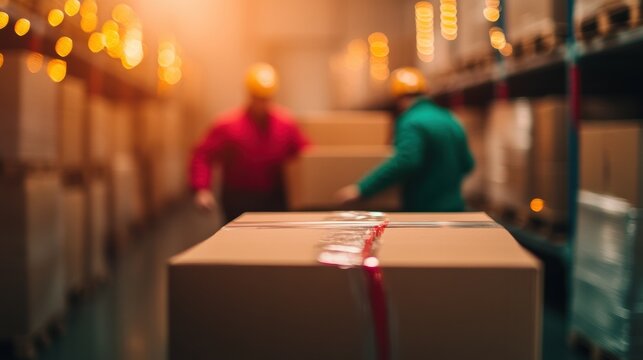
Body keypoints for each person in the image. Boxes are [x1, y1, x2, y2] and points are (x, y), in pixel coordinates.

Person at [336, 67, 474, 212]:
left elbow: (406, 160)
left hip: (424, 210)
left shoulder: (410, 122)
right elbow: (467, 164)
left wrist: (362, 189)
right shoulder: (449, 118)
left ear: (398, 98)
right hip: (455, 207)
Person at [190, 63, 309, 221]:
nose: (262, 103)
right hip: (238, 198)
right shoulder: (227, 125)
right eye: (257, 97)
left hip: (275, 198)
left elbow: (306, 155)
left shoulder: (286, 125)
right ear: (249, 95)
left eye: (266, 98)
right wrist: (202, 189)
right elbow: (203, 155)